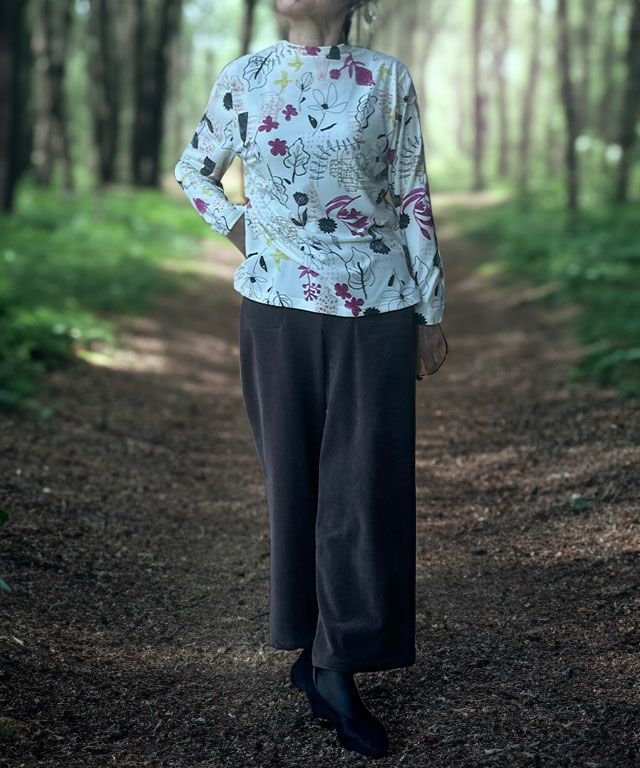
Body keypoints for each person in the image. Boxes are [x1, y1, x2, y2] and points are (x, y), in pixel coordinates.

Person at [174, 0, 448, 758]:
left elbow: (412, 197)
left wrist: (430, 308)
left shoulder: (384, 79)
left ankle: (336, 664)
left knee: (363, 487)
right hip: (275, 310)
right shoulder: (248, 75)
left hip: (376, 308)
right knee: (293, 484)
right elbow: (194, 170)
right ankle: (311, 642)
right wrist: (246, 232)